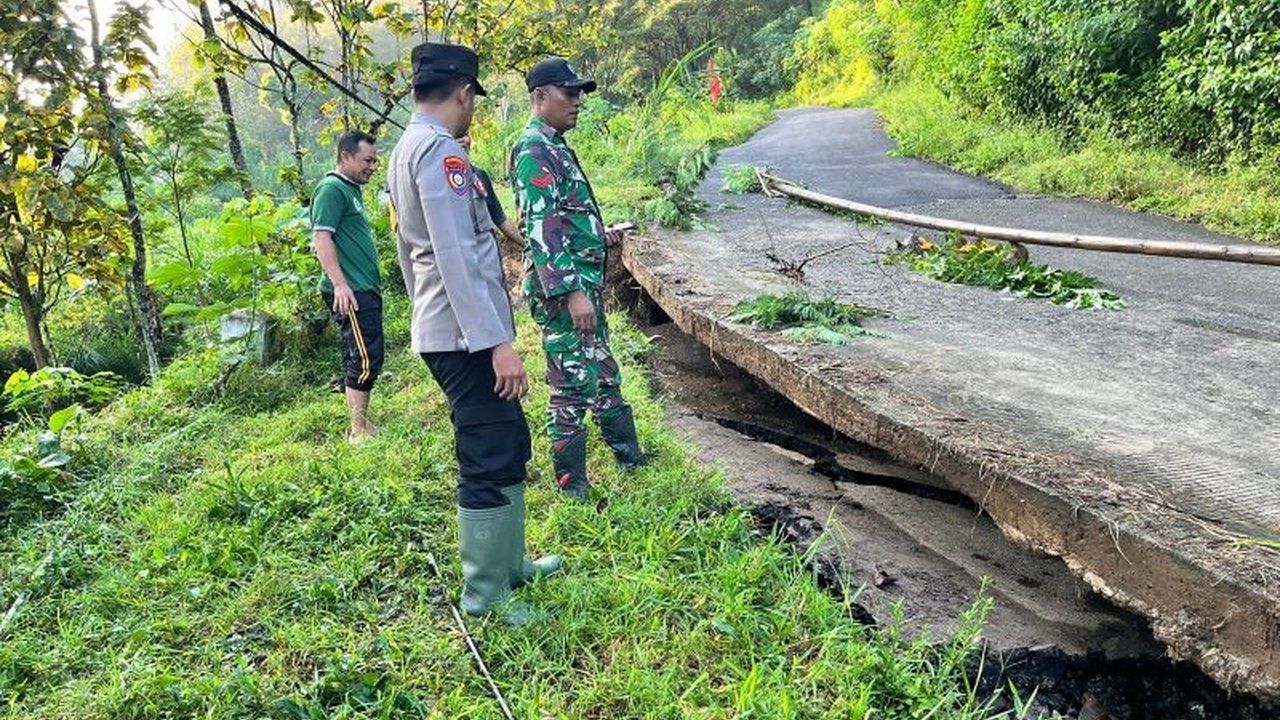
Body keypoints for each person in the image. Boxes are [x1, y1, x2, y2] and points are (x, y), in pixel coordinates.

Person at [387, 41, 559, 623]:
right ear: (464, 93)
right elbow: (456, 254)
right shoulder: (440, 154)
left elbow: (413, 259)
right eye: (473, 100)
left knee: (508, 438)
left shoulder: (405, 148)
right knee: (487, 452)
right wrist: (497, 344)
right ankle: (486, 596)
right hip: (464, 338)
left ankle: (511, 566)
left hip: (448, 327)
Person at [509, 57, 647, 501]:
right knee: (570, 385)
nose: (577, 102)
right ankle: (573, 488)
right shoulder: (533, 149)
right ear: (540, 96)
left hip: (582, 286)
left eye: (579, 94)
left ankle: (631, 459)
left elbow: (564, 218)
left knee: (604, 372)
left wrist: (601, 235)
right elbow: (539, 227)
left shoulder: (554, 144)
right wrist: (571, 293)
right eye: (568, 94)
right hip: (564, 293)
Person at [311, 131, 383, 444]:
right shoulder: (331, 189)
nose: (372, 167)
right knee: (366, 357)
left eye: (375, 161)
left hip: (362, 287)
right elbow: (321, 238)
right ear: (345, 156)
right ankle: (358, 431)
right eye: (367, 160)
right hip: (350, 290)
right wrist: (340, 285)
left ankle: (362, 424)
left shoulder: (350, 190)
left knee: (360, 354)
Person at [457, 133, 524, 293]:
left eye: (466, 134)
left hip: (488, 268)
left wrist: (531, 246)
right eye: (458, 136)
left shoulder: (479, 176)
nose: (465, 140)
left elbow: (500, 219)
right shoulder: (437, 181)